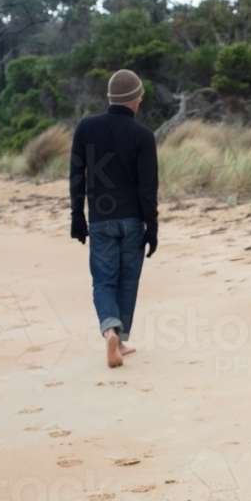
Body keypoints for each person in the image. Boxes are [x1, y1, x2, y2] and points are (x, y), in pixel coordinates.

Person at [69, 69, 159, 368]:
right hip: (133, 221)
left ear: (110, 98)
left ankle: (111, 332)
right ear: (134, 100)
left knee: (104, 283)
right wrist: (152, 226)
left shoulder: (85, 128)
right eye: (140, 96)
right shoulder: (143, 136)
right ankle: (119, 340)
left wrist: (77, 218)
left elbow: (76, 177)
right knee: (128, 282)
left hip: (100, 220)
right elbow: (148, 188)